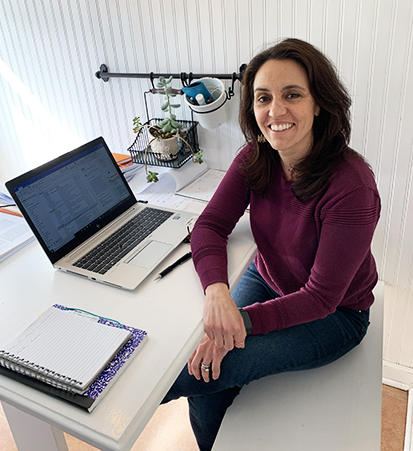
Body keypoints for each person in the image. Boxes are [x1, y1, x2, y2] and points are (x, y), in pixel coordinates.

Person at [162, 38, 381, 451]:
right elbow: (209, 225)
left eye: (292, 95)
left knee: (199, 367)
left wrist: (239, 323)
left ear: (319, 103)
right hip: (269, 281)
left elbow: (320, 298)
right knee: (206, 381)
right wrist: (217, 291)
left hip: (336, 316)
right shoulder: (255, 157)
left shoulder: (352, 186)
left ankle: (101, 400)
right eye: (263, 98)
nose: (275, 111)